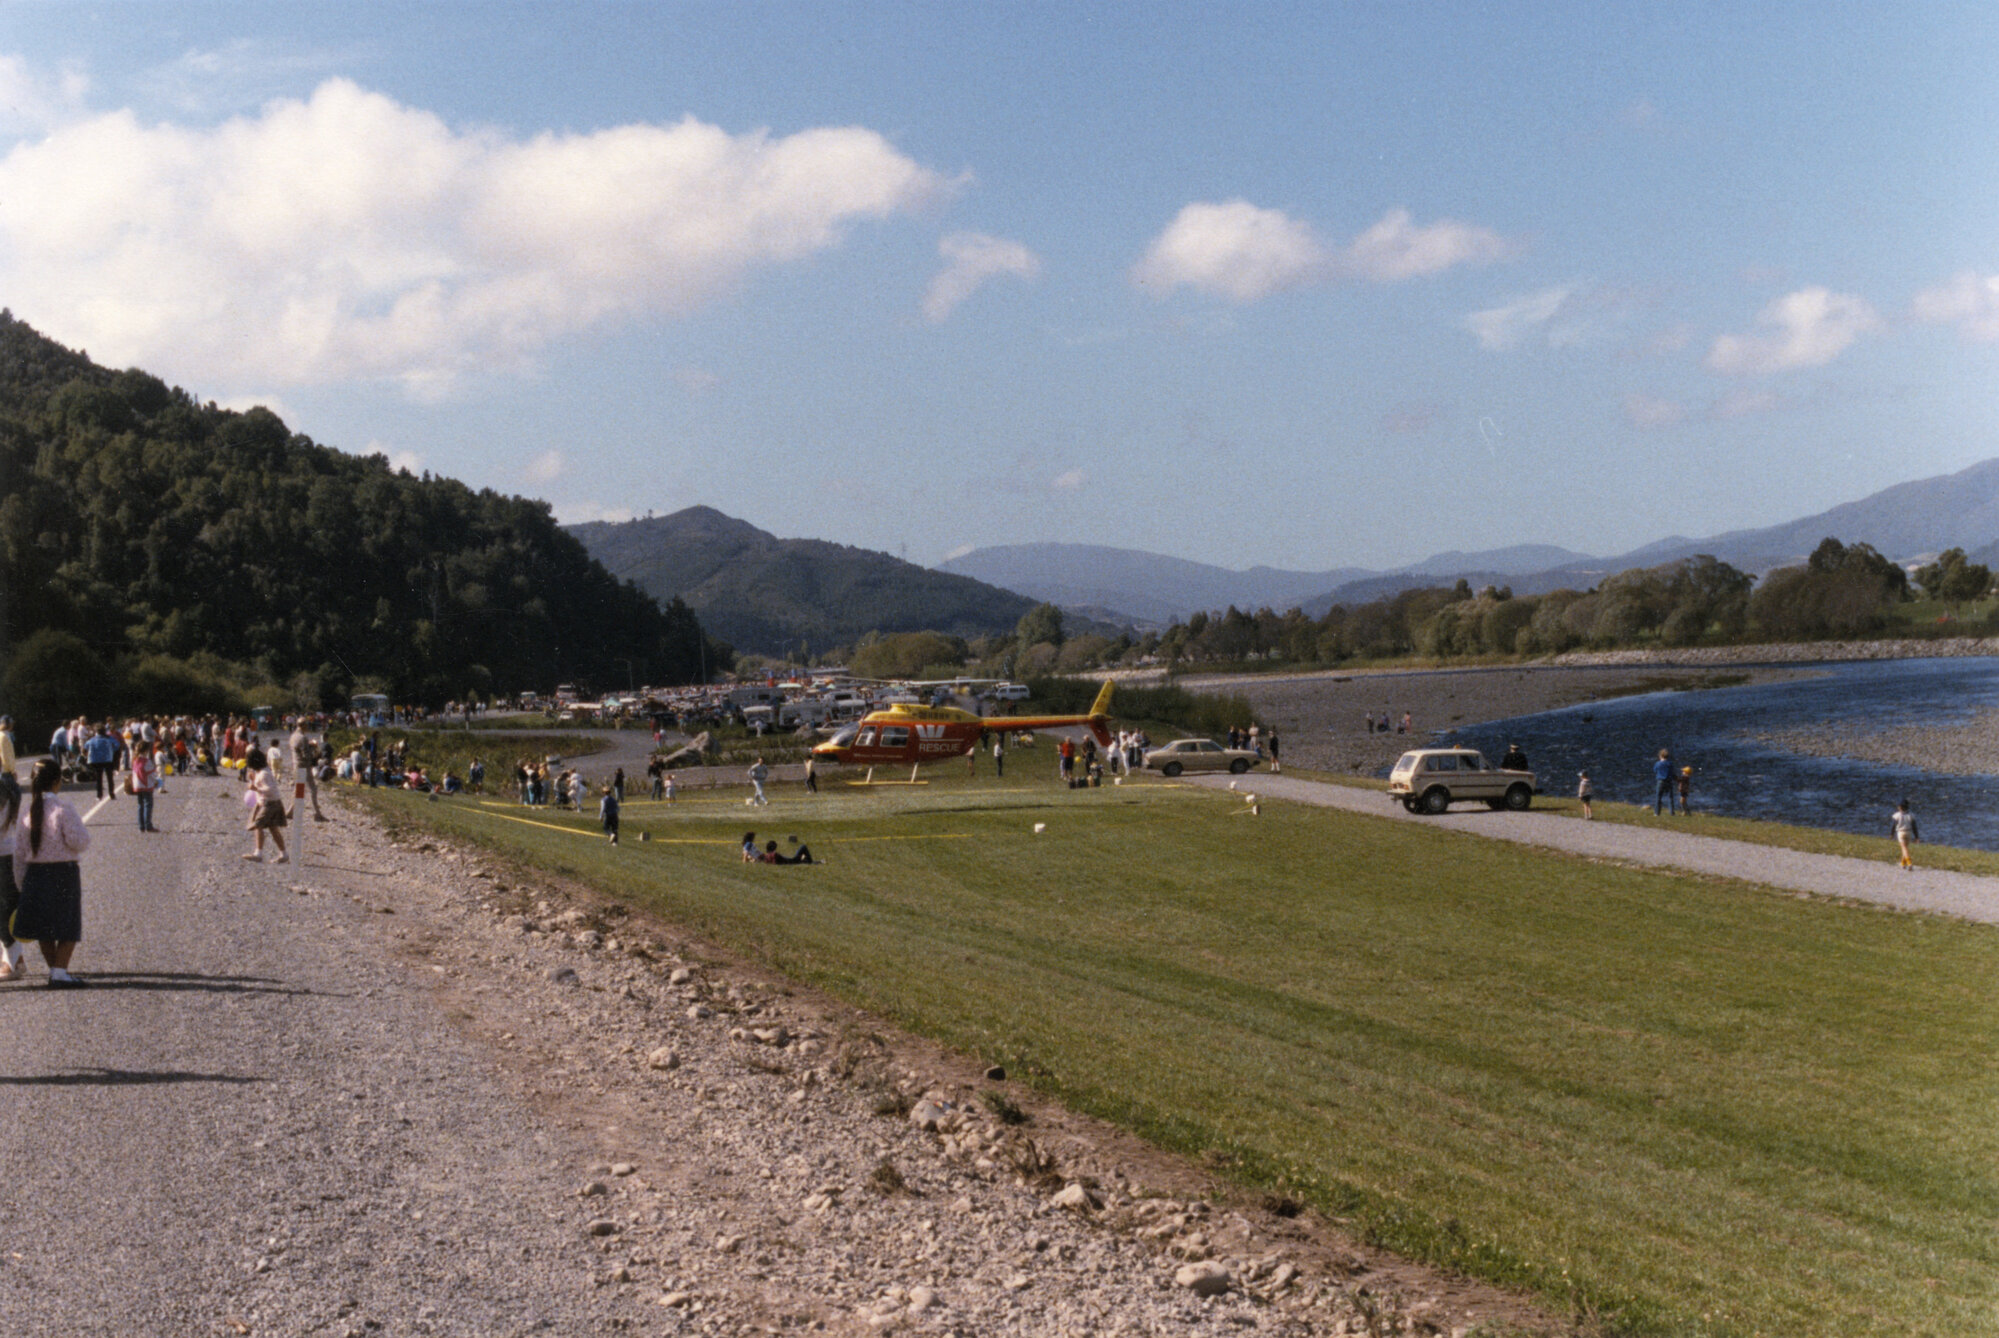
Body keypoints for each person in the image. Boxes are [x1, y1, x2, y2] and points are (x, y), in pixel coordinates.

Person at [13, 758, 91, 987]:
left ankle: (55, 971)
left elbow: (19, 852)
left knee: (44, 927)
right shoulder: (63, 808)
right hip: (63, 874)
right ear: (57, 782)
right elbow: (80, 842)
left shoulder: (27, 812)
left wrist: (21, 883)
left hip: (35, 875)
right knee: (68, 925)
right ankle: (59, 972)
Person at [242, 746, 290, 863]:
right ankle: (283, 854)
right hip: (270, 803)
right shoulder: (262, 771)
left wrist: (255, 787)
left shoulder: (264, 774)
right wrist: (253, 780)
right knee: (273, 828)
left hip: (270, 803)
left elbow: (270, 789)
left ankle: (258, 854)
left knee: (258, 825)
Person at [0, 772, 22, 981]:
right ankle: (15, 959)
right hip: (7, 853)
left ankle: (13, 961)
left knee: (4, 910)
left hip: (2, 855)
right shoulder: (7, 785)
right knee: (6, 908)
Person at [131, 741, 160, 833]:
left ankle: (141, 826)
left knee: (140, 805)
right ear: (146, 750)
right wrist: (156, 781)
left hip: (137, 785)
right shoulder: (147, 761)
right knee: (148, 805)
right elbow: (152, 774)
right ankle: (148, 825)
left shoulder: (135, 760)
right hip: (146, 785)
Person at [1892, 799, 1919, 871]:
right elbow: (1914, 826)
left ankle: (1909, 863)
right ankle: (1903, 863)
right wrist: (1916, 836)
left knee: (1904, 848)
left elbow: (1894, 825)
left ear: (1900, 807)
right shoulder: (1911, 815)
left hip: (1900, 833)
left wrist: (1891, 834)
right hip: (1909, 832)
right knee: (1905, 848)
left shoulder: (1897, 815)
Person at [1653, 748, 1676, 816]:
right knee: (1670, 797)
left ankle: (1657, 812)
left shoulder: (1658, 764)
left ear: (1660, 756)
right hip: (1669, 781)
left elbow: (1655, 770)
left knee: (1658, 797)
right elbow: (1672, 772)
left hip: (1660, 781)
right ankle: (1672, 812)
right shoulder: (1670, 764)